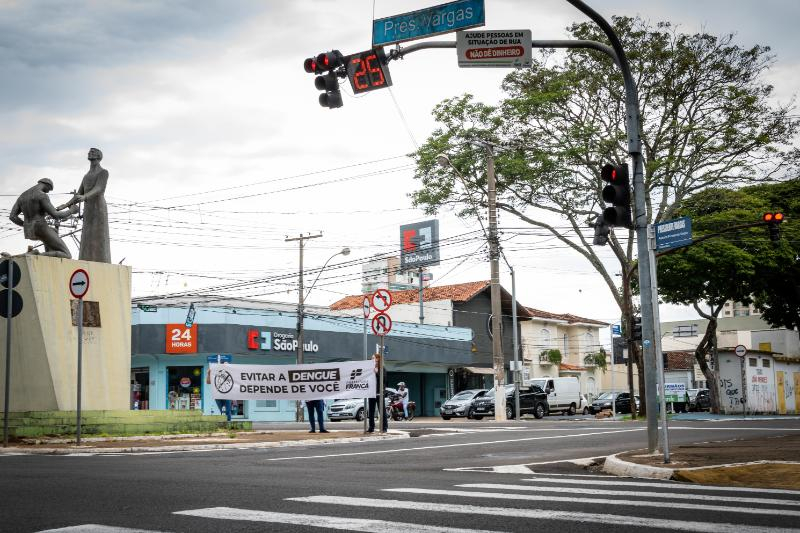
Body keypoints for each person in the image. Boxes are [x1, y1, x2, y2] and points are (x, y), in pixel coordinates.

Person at [58, 147, 110, 263]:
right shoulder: (86, 175)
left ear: (99, 156)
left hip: (98, 207)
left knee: (98, 234)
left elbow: (99, 188)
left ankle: (101, 261)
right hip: (89, 208)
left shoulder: (103, 172)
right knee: (87, 234)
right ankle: (86, 260)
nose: (90, 153)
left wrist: (85, 197)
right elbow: (79, 194)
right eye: (89, 152)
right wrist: (66, 205)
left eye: (93, 152)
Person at [9, 178, 78, 258]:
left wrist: (25, 225)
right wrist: (72, 210)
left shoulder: (22, 196)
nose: (48, 192)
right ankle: (37, 254)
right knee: (67, 255)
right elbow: (55, 215)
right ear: (47, 184)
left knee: (54, 231)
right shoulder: (42, 195)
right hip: (40, 228)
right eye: (49, 189)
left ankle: (46, 255)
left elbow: (12, 217)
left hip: (28, 230)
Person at [368, 353, 388, 433]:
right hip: (371, 392)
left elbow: (384, 380)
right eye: (371, 358)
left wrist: (377, 372)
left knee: (382, 411)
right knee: (371, 411)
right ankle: (371, 427)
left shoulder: (382, 368)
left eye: (374, 358)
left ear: (378, 359)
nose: (372, 360)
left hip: (379, 392)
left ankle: (384, 427)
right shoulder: (369, 368)